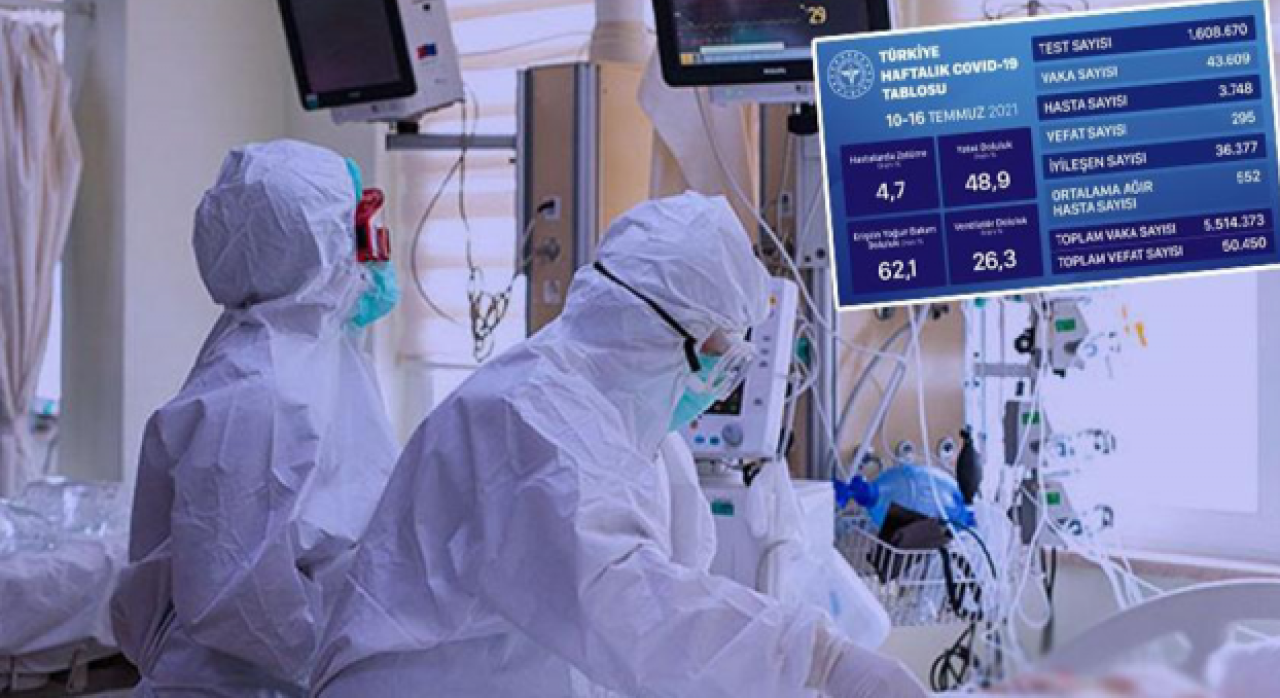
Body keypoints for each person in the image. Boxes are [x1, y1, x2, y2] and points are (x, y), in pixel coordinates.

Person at [312, 192, 927, 698]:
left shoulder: (634, 430)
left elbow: (660, 605)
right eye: (719, 357)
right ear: (662, 333)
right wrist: (819, 658)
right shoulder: (531, 420)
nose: (718, 384)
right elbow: (630, 608)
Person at [111, 140, 402, 697]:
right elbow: (237, 599)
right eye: (363, 231)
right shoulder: (257, 392)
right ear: (315, 247)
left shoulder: (315, 353)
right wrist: (348, 661)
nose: (377, 254)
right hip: (240, 683)